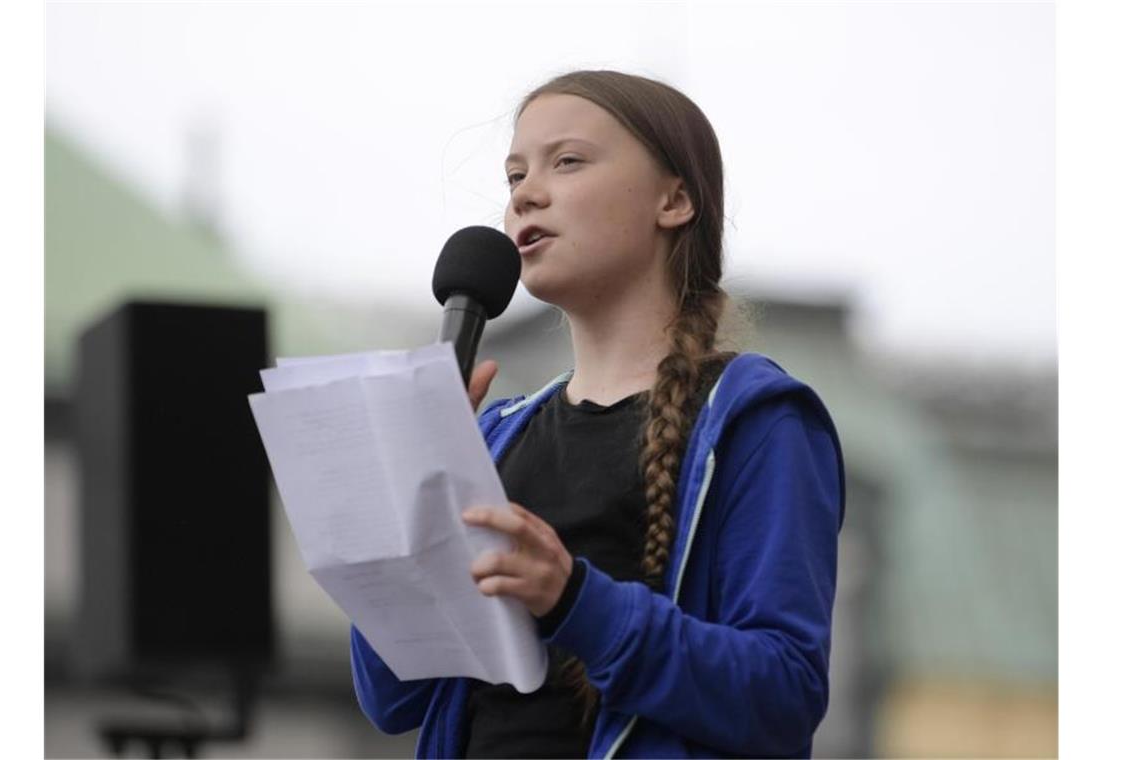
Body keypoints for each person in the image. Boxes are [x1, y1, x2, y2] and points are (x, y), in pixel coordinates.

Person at [349, 69, 845, 759]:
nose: (527, 192)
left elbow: (784, 697)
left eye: (568, 161)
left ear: (673, 200)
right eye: (515, 175)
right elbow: (393, 698)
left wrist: (577, 601)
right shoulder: (497, 436)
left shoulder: (756, 421)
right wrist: (410, 509)